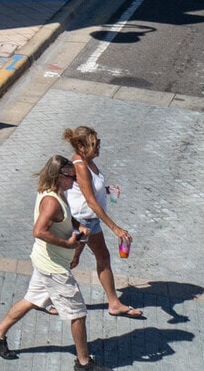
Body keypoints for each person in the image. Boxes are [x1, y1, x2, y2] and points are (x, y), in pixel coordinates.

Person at [0, 155, 102, 369]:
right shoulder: (51, 201)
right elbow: (38, 231)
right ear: (59, 175)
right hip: (53, 266)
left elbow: (65, 216)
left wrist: (78, 225)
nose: (74, 182)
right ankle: (84, 363)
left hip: (45, 260)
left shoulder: (55, 192)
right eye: (71, 177)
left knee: (32, 299)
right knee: (78, 314)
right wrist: (67, 244)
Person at [62, 126, 141, 318]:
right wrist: (115, 228)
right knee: (70, 261)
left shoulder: (88, 162)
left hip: (91, 220)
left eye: (99, 143)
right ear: (81, 147)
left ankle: (114, 303)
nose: (98, 147)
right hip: (81, 221)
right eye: (94, 144)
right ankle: (44, 295)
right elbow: (90, 201)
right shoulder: (80, 165)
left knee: (103, 258)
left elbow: (87, 190)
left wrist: (105, 190)